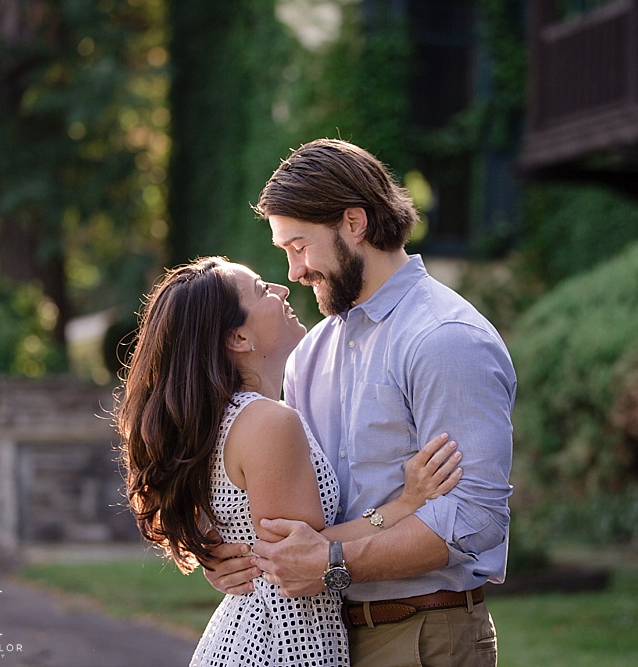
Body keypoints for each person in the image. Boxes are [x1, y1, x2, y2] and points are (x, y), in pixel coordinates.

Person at [204, 139, 517, 667]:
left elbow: (473, 519)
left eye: (299, 246)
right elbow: (302, 514)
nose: (294, 272)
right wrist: (233, 556)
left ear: (354, 224)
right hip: (326, 640)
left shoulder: (444, 338)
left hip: (424, 635)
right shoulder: (309, 354)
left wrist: (331, 563)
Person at [114, 256, 463, 667]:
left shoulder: (225, 418)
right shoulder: (267, 422)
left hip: (256, 633)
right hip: (284, 640)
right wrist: (403, 505)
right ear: (239, 338)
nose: (281, 289)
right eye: (262, 290)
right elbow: (297, 557)